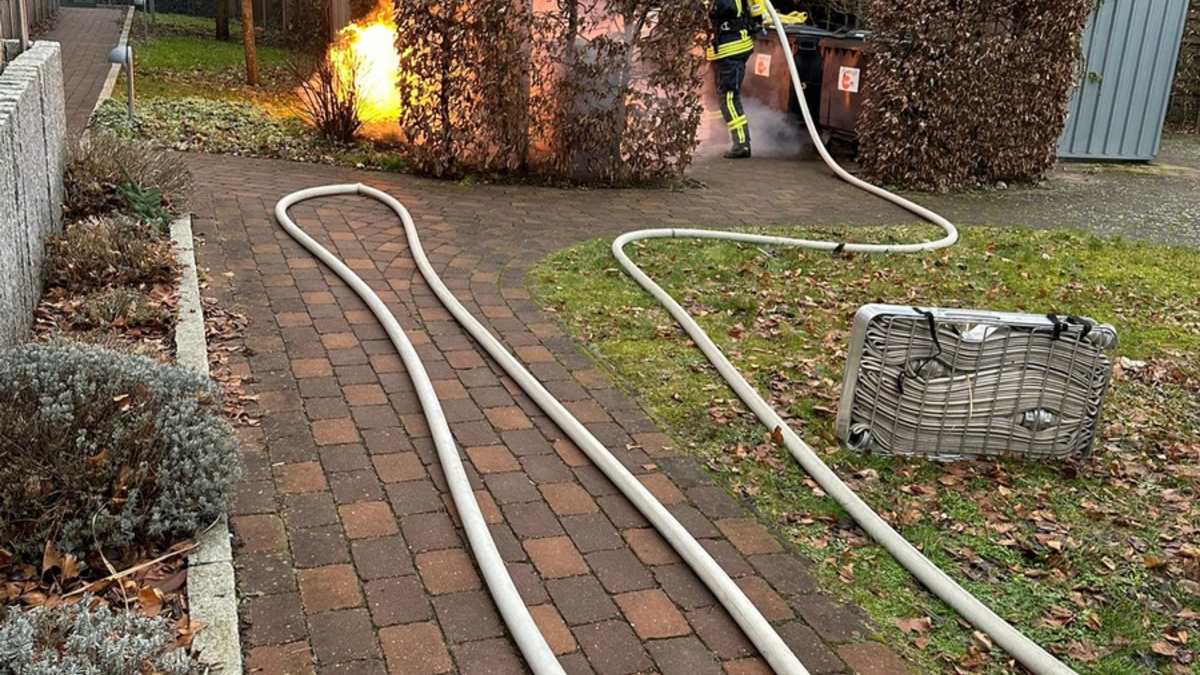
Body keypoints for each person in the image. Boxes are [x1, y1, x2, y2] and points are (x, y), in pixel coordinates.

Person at [707, 0, 765, 159]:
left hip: (731, 49)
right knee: (712, 94)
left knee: (729, 97)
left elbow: (725, 7)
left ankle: (742, 144)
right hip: (721, 50)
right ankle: (718, 135)